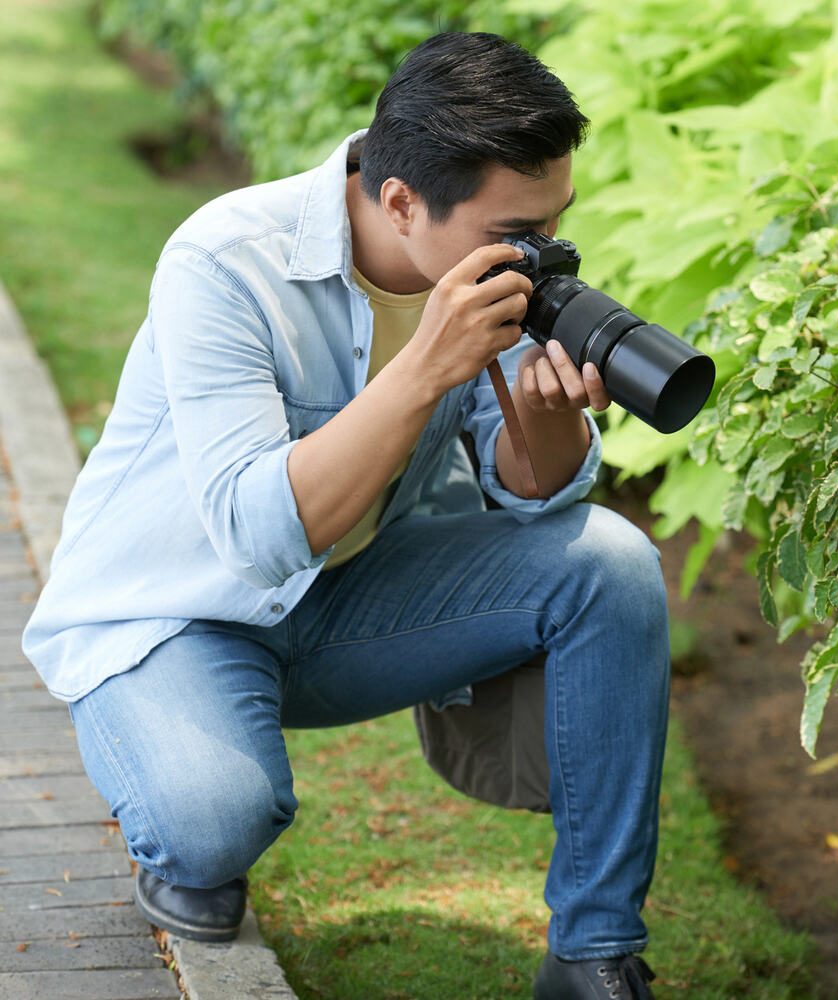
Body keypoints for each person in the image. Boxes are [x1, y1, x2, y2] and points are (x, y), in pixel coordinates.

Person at [23, 31, 669, 1000]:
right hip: (177, 607)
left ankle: (593, 948)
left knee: (607, 561)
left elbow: (530, 492)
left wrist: (541, 421)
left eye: (550, 223)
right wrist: (424, 367)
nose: (538, 253)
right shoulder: (227, 258)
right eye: (513, 232)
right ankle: (178, 788)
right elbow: (256, 533)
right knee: (211, 822)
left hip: (353, 596)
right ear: (402, 200)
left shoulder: (493, 264)